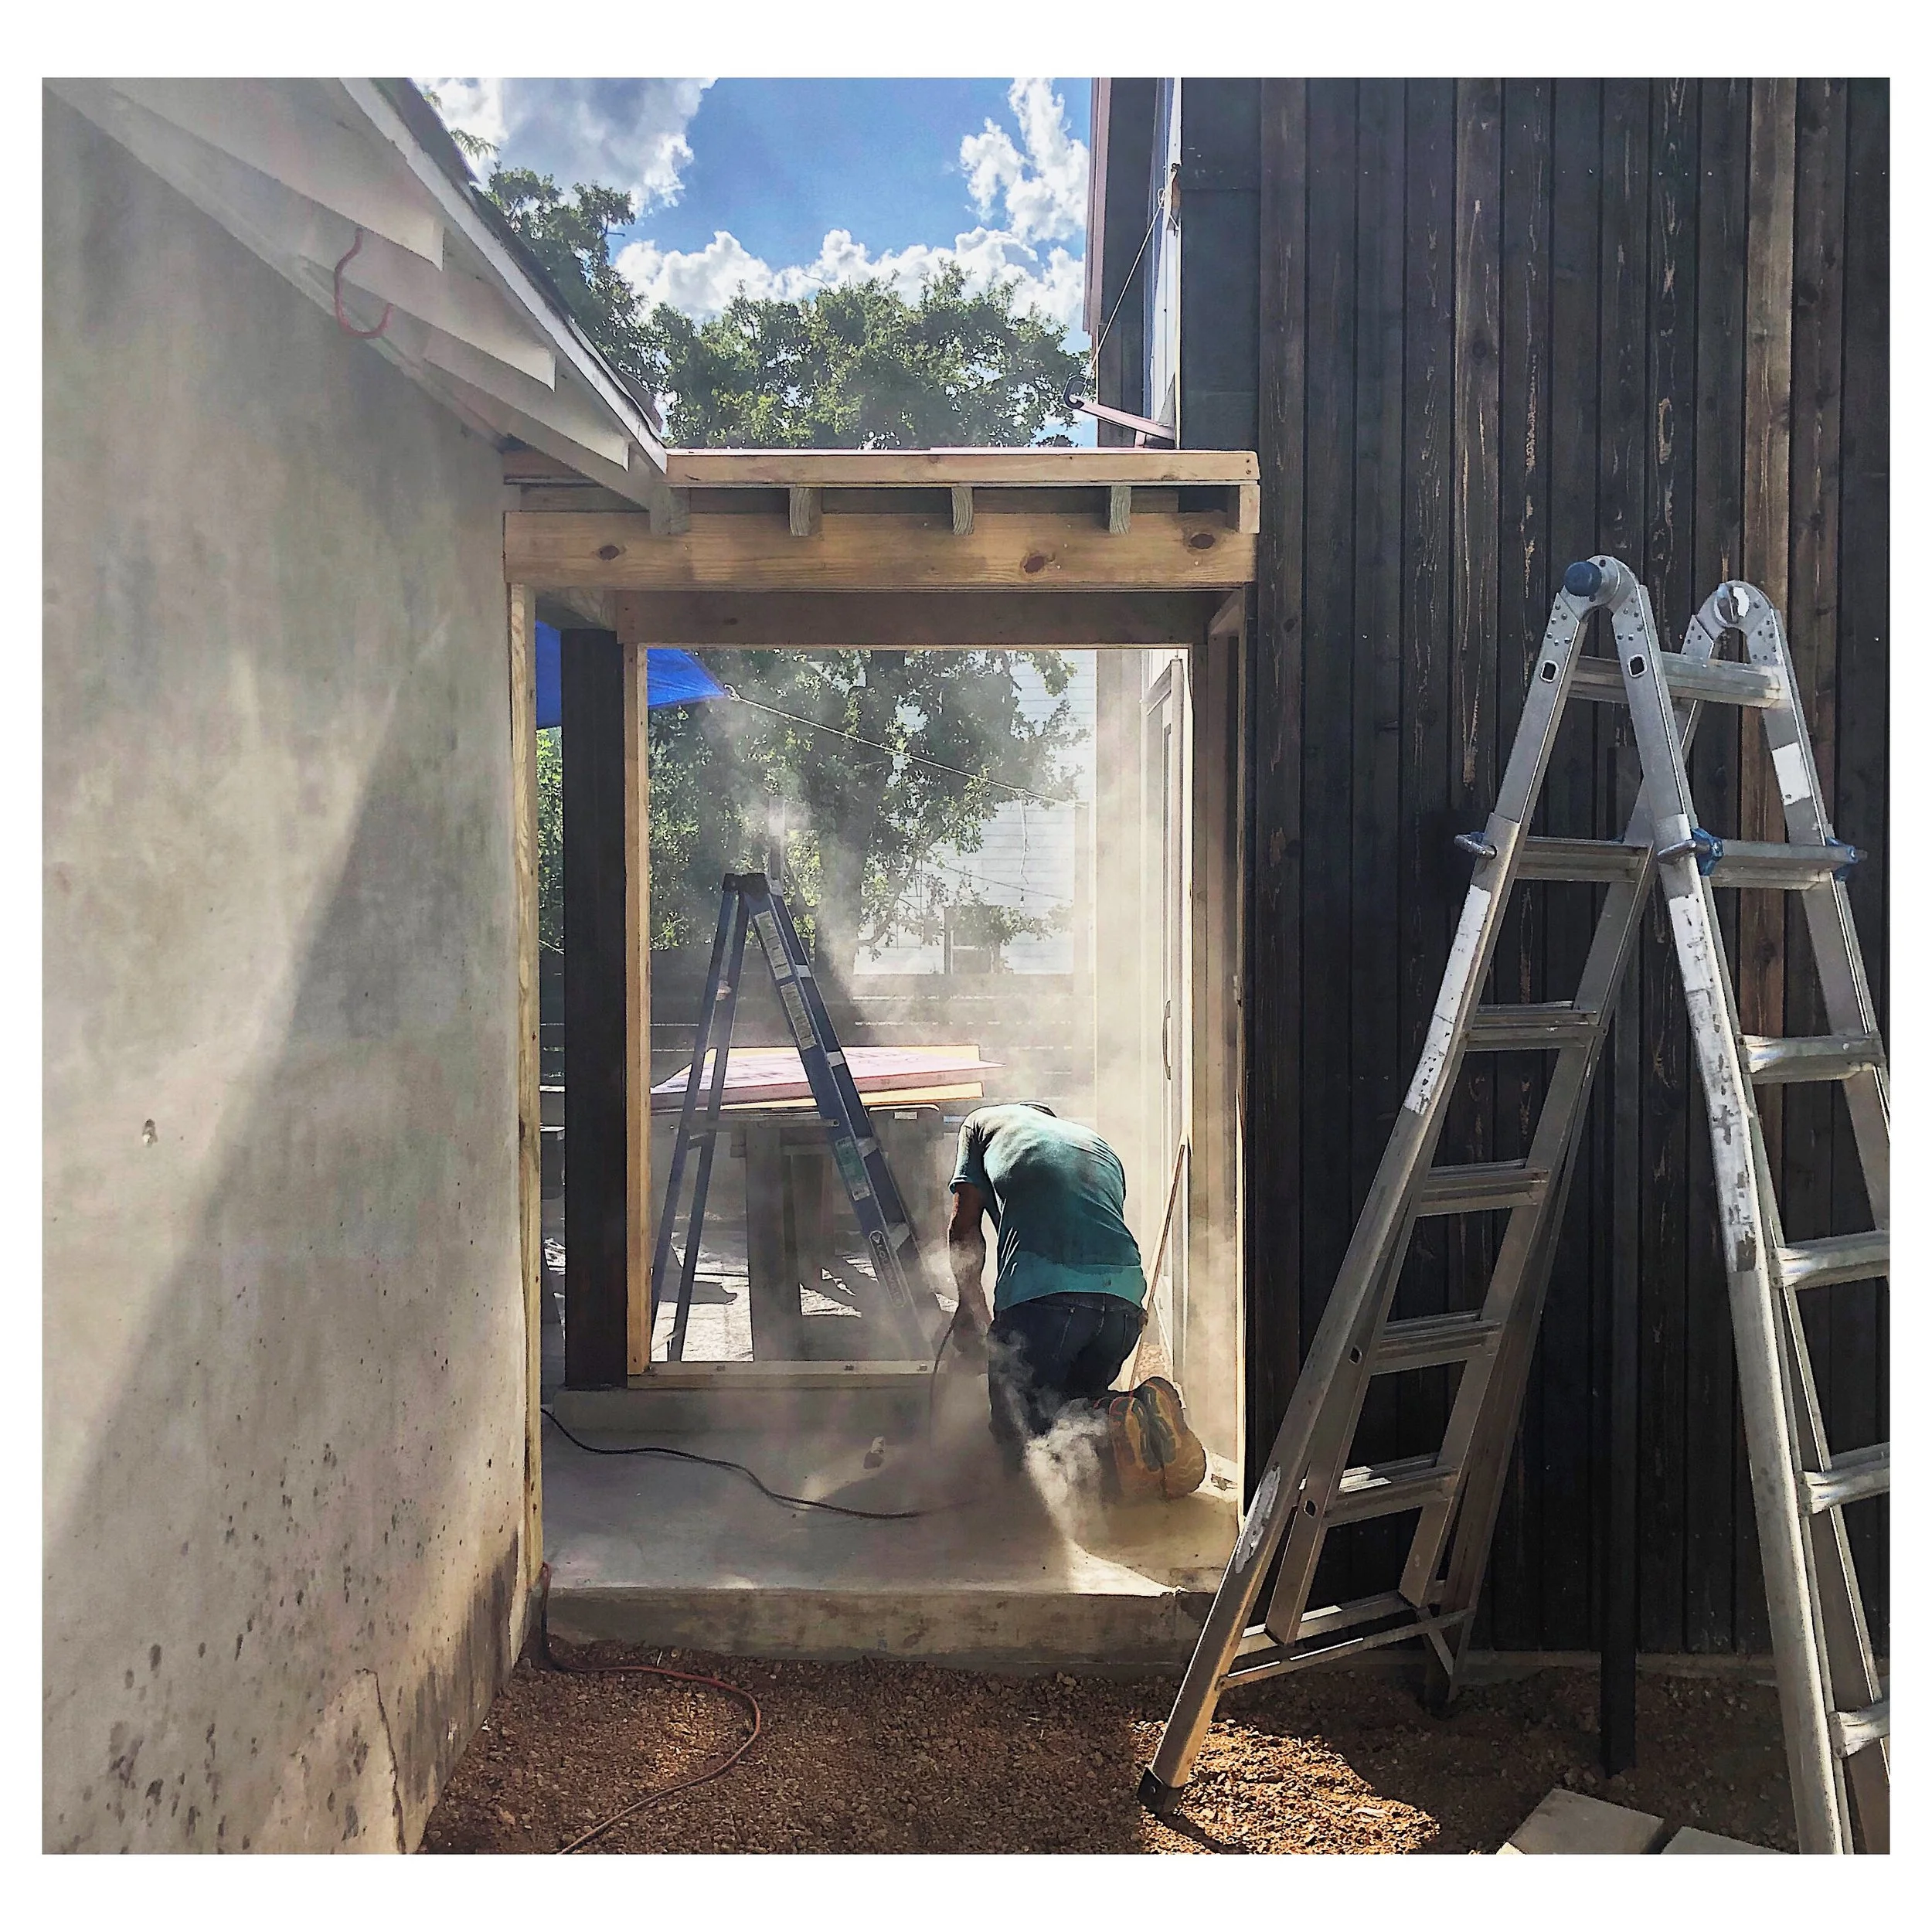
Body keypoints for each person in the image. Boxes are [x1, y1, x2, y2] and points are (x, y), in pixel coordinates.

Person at [945, 1102, 1207, 1500]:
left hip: (1044, 1299)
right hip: (1123, 1301)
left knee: (1018, 1428)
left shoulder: (981, 1124)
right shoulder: (1095, 1145)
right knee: (1075, 1418)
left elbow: (965, 1230)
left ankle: (1020, 1522)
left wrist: (970, 1307)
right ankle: (1133, 1414)